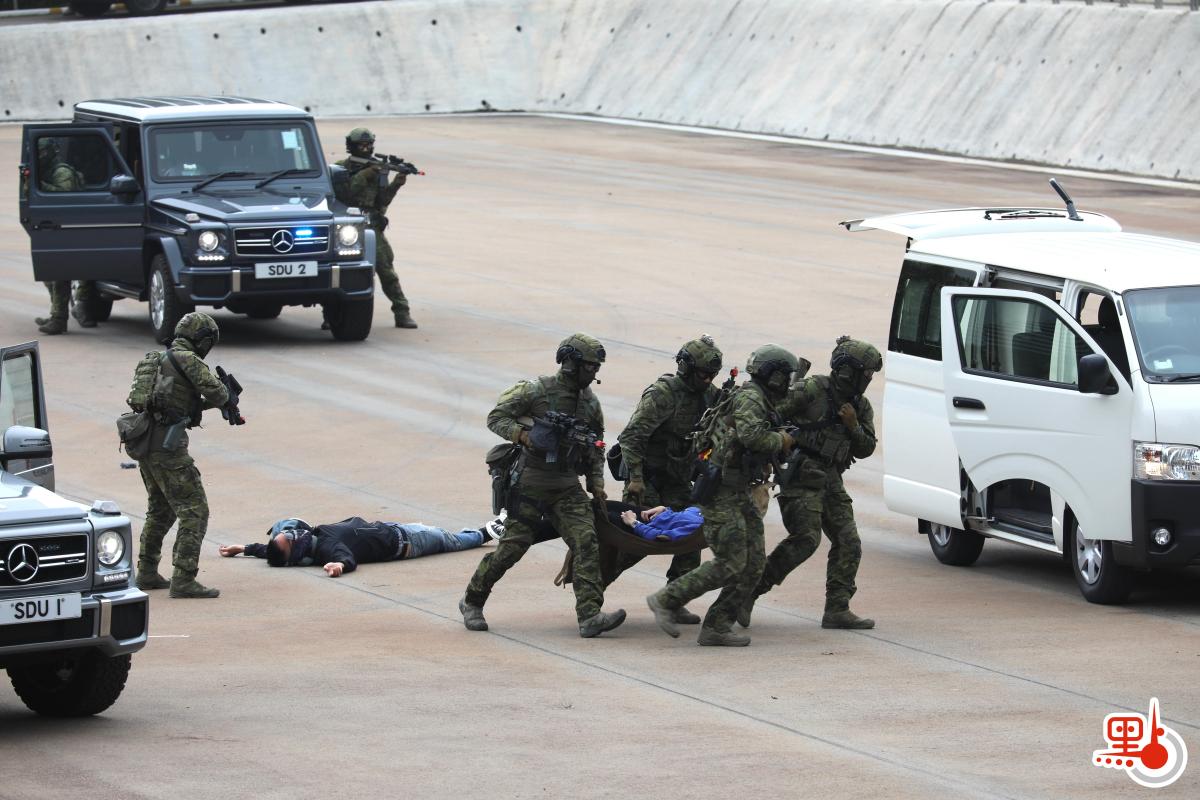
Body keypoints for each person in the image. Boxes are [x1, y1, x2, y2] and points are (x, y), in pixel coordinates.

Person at [461, 333, 627, 638]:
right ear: (569, 363)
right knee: (513, 548)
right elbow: (496, 417)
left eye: (596, 368)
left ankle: (589, 615)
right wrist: (524, 435)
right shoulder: (535, 390)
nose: (594, 373)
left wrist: (597, 482)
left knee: (586, 541)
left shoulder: (590, 404)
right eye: (589, 367)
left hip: (566, 485)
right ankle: (472, 600)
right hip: (530, 484)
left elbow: (597, 447)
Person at [646, 344, 800, 646]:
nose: (788, 383)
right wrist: (782, 439)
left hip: (737, 489)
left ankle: (717, 625)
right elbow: (752, 436)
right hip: (719, 492)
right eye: (786, 376)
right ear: (773, 376)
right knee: (730, 562)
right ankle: (666, 599)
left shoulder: (761, 399)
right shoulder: (750, 399)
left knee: (754, 564)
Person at [739, 337, 882, 631]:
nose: (868, 379)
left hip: (831, 478)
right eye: (865, 373)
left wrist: (853, 425)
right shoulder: (812, 390)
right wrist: (780, 444)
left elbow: (866, 448)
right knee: (806, 539)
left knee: (849, 541)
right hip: (800, 474)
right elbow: (771, 413)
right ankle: (747, 594)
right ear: (847, 371)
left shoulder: (859, 406)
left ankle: (837, 609)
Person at [613, 336, 723, 623]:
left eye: (712, 375)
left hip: (677, 480)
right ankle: (592, 595)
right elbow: (631, 437)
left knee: (692, 535)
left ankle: (674, 600)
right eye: (702, 374)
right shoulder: (663, 394)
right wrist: (636, 479)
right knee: (635, 542)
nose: (708, 379)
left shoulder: (710, 396)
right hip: (647, 477)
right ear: (686, 368)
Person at [128, 312, 232, 598]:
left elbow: (180, 402)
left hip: (146, 442)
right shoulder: (189, 360)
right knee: (195, 510)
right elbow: (216, 393)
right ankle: (184, 578)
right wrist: (227, 395)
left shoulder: (159, 358)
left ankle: (147, 572)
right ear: (202, 340)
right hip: (167, 447)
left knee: (160, 510)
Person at [332, 128, 417, 329]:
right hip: (347, 224)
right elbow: (347, 194)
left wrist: (397, 183)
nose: (367, 148)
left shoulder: (378, 170)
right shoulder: (340, 168)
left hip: (371, 224)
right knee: (340, 272)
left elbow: (382, 200)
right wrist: (365, 174)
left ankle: (401, 311)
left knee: (386, 268)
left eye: (369, 144)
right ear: (352, 146)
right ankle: (331, 315)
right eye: (362, 145)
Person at [219, 515, 504, 575]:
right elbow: (346, 558)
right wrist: (338, 566)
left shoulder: (316, 537)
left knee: (438, 531)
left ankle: (480, 531)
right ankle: (486, 532)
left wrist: (243, 548)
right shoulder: (327, 548)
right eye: (291, 539)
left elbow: (267, 551)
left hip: (392, 528)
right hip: (407, 542)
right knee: (449, 540)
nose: (293, 533)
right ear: (299, 555)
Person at [32, 138, 99, 336]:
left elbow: (64, 197)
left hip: (73, 230)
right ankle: (59, 312)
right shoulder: (45, 171)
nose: (41, 157)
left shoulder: (62, 172)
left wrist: (41, 185)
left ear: (51, 152)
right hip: (56, 229)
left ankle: (59, 319)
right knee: (49, 276)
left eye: (43, 153)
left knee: (61, 275)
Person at [618, 505, 703, 543]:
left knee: (609, 517)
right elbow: (679, 517)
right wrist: (665, 509)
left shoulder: (697, 528)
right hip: (649, 516)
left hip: (641, 527)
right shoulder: (699, 510)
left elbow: (657, 536)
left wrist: (634, 523)